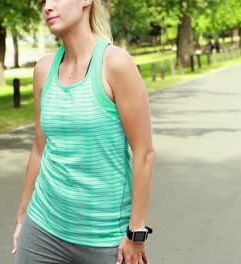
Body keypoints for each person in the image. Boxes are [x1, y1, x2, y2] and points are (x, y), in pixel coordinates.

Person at [11, 0, 155, 263]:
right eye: (43, 1)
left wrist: (136, 233)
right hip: (42, 229)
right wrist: (22, 217)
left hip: (106, 238)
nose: (47, 7)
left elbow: (144, 153)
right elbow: (39, 149)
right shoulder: (43, 69)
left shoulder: (115, 64)